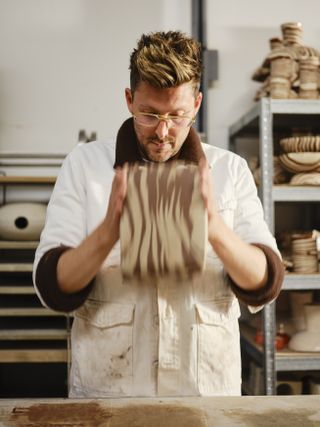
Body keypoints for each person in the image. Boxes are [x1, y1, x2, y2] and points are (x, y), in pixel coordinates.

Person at [33, 30, 284, 398]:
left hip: (205, 398)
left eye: (178, 115)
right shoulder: (85, 166)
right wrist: (108, 232)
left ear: (197, 105)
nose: (163, 132)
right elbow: (51, 286)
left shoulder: (229, 171)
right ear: (129, 99)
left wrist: (213, 226)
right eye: (149, 114)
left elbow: (266, 282)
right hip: (109, 398)